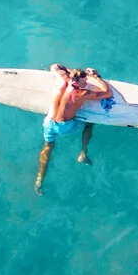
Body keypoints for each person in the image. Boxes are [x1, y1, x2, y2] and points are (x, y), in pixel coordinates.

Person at [35, 64, 113, 195]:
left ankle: (39, 179)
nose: (86, 83)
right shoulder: (81, 93)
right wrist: (96, 76)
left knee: (47, 147)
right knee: (89, 124)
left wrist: (70, 72)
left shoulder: (62, 80)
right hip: (64, 127)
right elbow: (107, 93)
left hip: (49, 122)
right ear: (79, 82)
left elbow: (54, 66)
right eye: (85, 82)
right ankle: (83, 153)